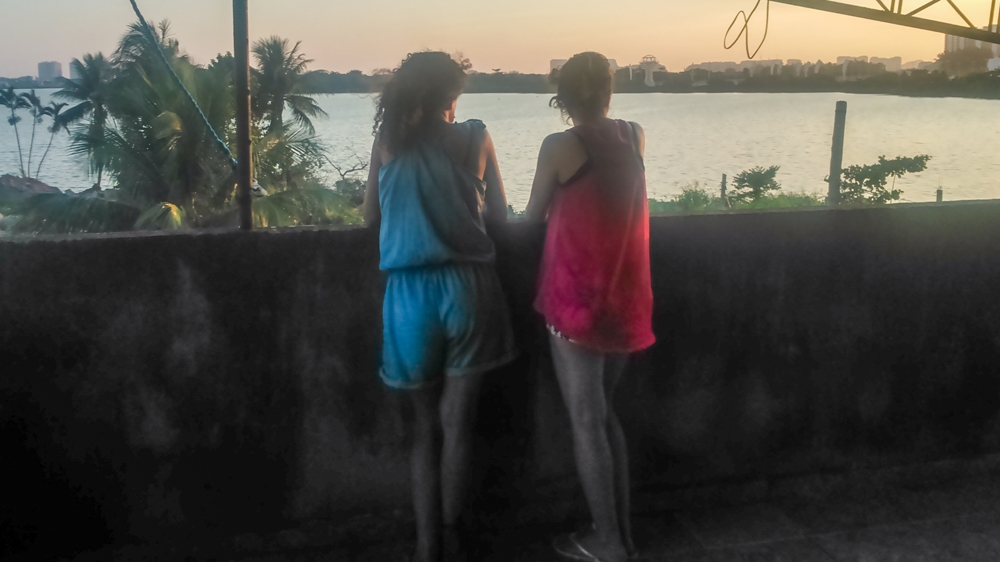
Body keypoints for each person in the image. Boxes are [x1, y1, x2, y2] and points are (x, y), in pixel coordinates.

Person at [363, 51, 518, 562]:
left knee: (423, 432)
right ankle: (456, 538)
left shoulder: (388, 143)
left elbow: (370, 218)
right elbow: (500, 214)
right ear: (450, 96)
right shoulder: (475, 137)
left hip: (408, 295)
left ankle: (427, 549)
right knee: (459, 425)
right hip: (470, 288)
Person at [524, 51, 655, 562]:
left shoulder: (561, 145)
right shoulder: (635, 133)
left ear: (563, 97)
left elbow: (531, 217)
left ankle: (608, 542)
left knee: (585, 419)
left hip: (577, 300)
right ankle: (619, 533)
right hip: (626, 296)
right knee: (605, 416)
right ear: (608, 90)